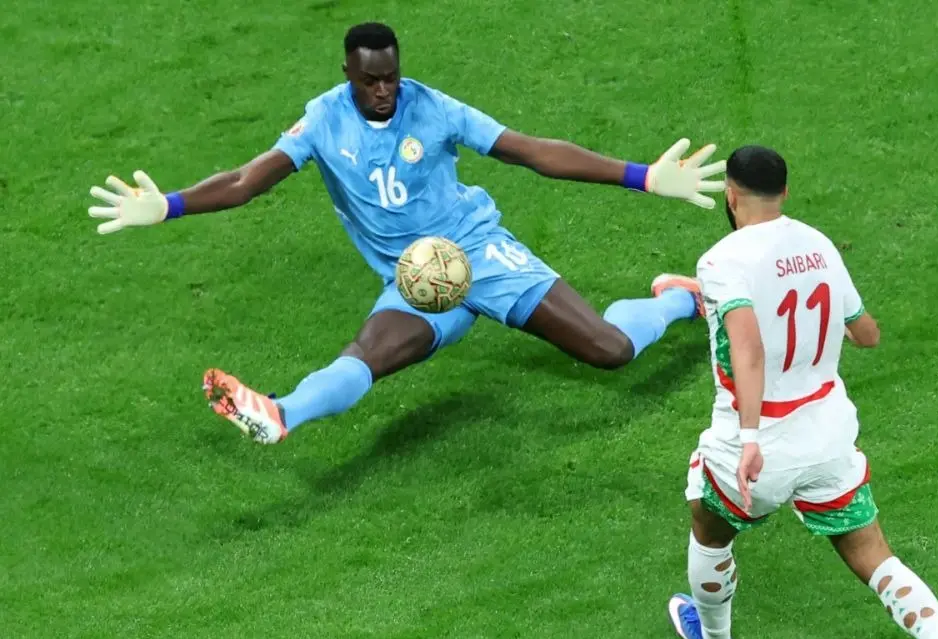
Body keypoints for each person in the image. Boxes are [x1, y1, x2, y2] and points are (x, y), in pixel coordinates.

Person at [85, 22, 725, 444]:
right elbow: (245, 181)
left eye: (391, 75)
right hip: (417, 280)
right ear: (347, 73)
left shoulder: (432, 107)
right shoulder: (323, 122)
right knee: (365, 357)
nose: (386, 89)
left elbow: (533, 151)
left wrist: (642, 176)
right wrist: (167, 205)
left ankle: (678, 297)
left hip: (476, 249)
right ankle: (280, 414)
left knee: (609, 351)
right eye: (371, 80)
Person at [655, 146, 938, 639]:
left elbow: (748, 347)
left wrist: (748, 441)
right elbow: (866, 333)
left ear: (731, 194)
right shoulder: (818, 245)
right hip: (829, 436)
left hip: (759, 448)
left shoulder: (722, 260)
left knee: (708, 525)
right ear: (785, 192)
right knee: (875, 556)